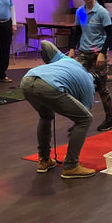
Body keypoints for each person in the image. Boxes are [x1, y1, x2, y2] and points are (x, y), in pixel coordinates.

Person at [21, 41, 96, 179]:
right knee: (86, 120)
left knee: (45, 116)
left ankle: (44, 160)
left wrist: (49, 63)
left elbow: (45, 43)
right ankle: (71, 166)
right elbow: (83, 114)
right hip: (49, 85)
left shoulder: (68, 60)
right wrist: (75, 127)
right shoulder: (90, 86)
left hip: (27, 79)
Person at [68, 0, 112, 132]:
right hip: (83, 53)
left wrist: (102, 53)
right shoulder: (80, 12)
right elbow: (77, 32)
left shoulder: (102, 12)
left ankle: (110, 119)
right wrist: (71, 49)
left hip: (98, 54)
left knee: (101, 87)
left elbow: (110, 35)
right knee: (79, 87)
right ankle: (80, 120)